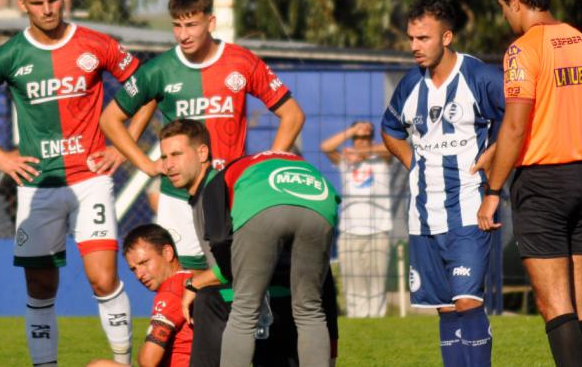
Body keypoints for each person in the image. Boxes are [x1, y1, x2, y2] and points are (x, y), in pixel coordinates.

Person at [0, 0, 156, 366]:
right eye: (38, 3)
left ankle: (122, 362)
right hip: (38, 186)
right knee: (39, 286)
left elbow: (148, 88)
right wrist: (0, 155)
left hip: (91, 179)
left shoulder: (96, 43)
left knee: (103, 278)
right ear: (23, 4)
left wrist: (122, 148)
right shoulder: (9, 54)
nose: (48, 9)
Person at [100, 0, 305, 271]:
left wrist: (264, 168)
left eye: (192, 25)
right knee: (182, 282)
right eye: (177, 26)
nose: (183, 35)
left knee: (236, 280)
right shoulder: (159, 70)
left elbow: (293, 115)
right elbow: (110, 119)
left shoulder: (241, 62)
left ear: (211, 22)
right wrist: (146, 165)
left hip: (231, 192)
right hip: (178, 198)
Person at [478, 0, 582, 367]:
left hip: (541, 187)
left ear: (516, 2)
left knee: (555, 303)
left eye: (503, 8)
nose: (505, 17)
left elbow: (516, 129)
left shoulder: (523, 51)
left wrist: (494, 190)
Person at [381, 0, 503, 367]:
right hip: (423, 217)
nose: (415, 47)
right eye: (411, 38)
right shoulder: (409, 86)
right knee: (445, 307)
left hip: (469, 208)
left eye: (424, 38)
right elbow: (389, 130)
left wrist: (494, 155)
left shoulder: (480, 77)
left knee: (468, 301)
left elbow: (515, 123)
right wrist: (413, 162)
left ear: (447, 37)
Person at [158, 119, 340, 367]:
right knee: (309, 310)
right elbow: (324, 279)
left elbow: (225, 254)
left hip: (263, 208)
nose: (168, 165)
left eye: (176, 154)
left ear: (203, 153)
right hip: (321, 200)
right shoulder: (257, 166)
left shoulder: (216, 183)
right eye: (164, 157)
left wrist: (195, 283)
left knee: (244, 310)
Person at [88, 224, 193, 367]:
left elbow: (148, 361)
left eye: (144, 262)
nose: (140, 274)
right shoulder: (192, 280)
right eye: (134, 269)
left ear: (168, 252)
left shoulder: (171, 291)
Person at [320, 121, 393, 318]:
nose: (362, 142)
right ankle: (357, 320)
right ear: (352, 139)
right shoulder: (345, 160)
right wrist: (353, 130)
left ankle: (377, 322)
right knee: (353, 285)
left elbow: (391, 147)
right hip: (350, 232)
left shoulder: (381, 159)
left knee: (377, 284)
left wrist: (364, 152)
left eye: (366, 138)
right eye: (358, 138)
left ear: (371, 139)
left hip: (379, 230)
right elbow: (325, 147)